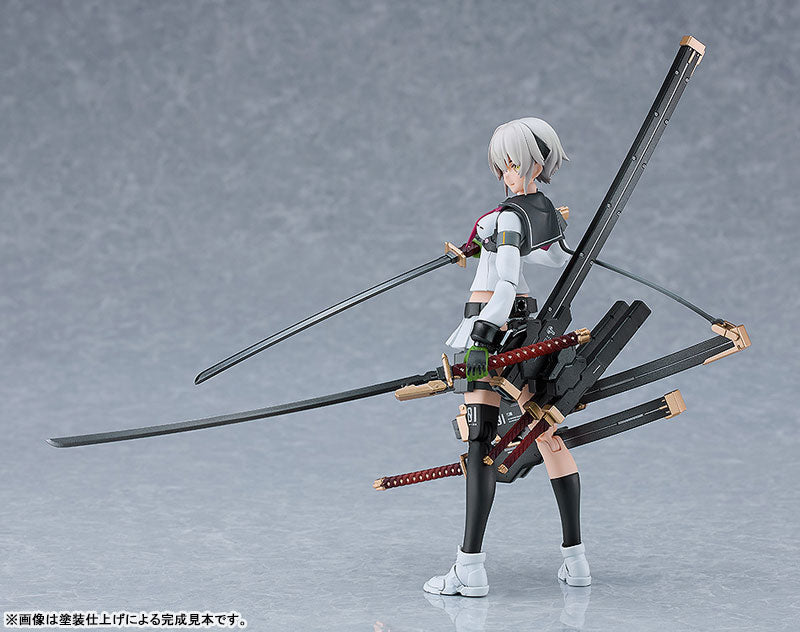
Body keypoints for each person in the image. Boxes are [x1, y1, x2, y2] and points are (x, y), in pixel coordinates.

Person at [423, 118, 591, 597]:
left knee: (479, 441)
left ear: (536, 163)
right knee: (547, 433)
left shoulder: (511, 216)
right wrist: (479, 248)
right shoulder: (540, 211)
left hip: (496, 328)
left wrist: (481, 334)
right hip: (527, 325)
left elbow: (506, 281)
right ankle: (576, 562)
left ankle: (469, 568)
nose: (505, 174)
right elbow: (553, 258)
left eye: (512, 164)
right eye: (501, 166)